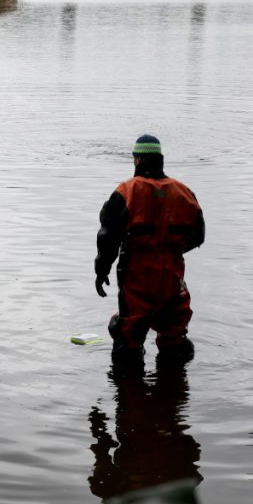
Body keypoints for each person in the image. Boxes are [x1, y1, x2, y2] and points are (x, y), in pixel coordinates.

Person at [95, 135, 205, 363]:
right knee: (174, 333)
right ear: (160, 159)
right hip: (172, 274)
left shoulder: (126, 192)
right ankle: (173, 387)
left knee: (129, 334)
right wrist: (169, 249)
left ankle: (128, 389)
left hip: (137, 276)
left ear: (137, 160)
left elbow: (108, 236)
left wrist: (102, 269)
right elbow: (198, 235)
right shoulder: (184, 192)